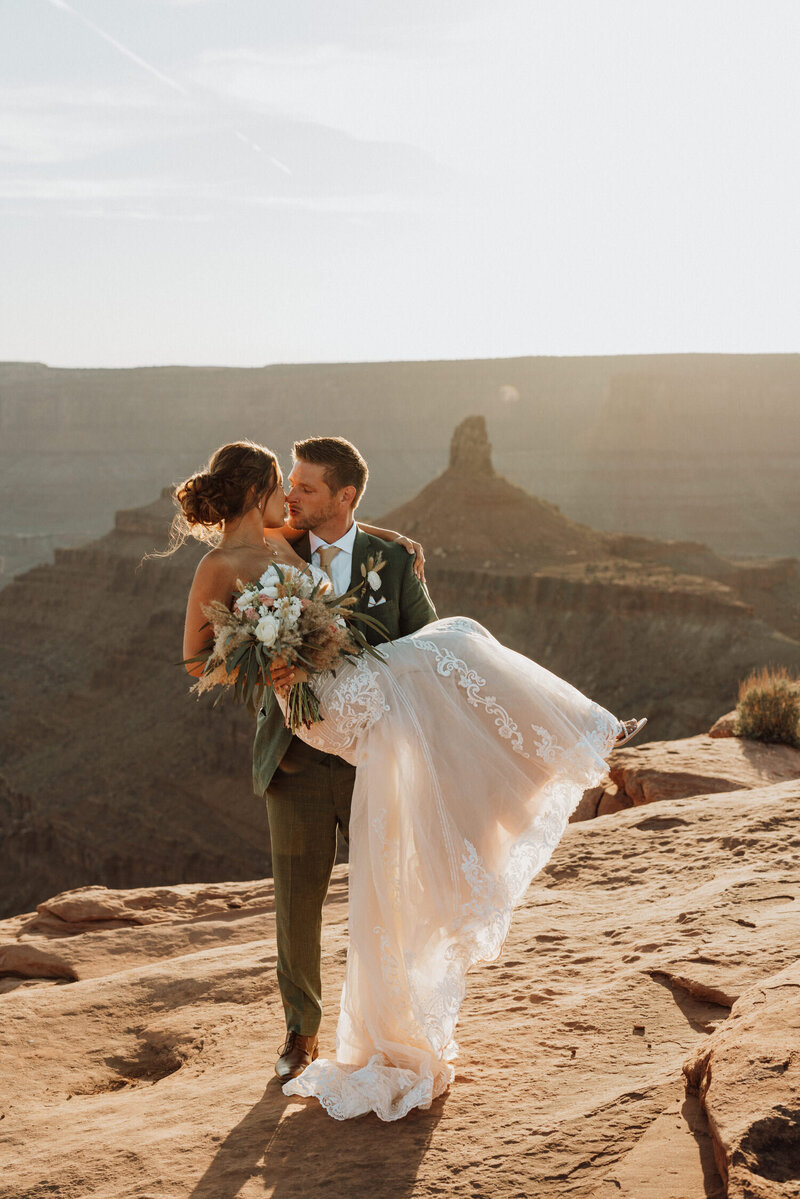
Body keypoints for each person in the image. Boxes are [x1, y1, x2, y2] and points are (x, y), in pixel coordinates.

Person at [180, 438, 646, 1123]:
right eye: (287, 486)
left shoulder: (353, 550)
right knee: (297, 902)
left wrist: (391, 539)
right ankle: (298, 1033)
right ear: (263, 496)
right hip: (299, 752)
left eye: (306, 489)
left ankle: (563, 735)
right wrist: (259, 658)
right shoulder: (255, 549)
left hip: (377, 748)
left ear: (342, 499)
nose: (292, 498)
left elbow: (381, 582)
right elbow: (198, 661)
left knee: (448, 654)